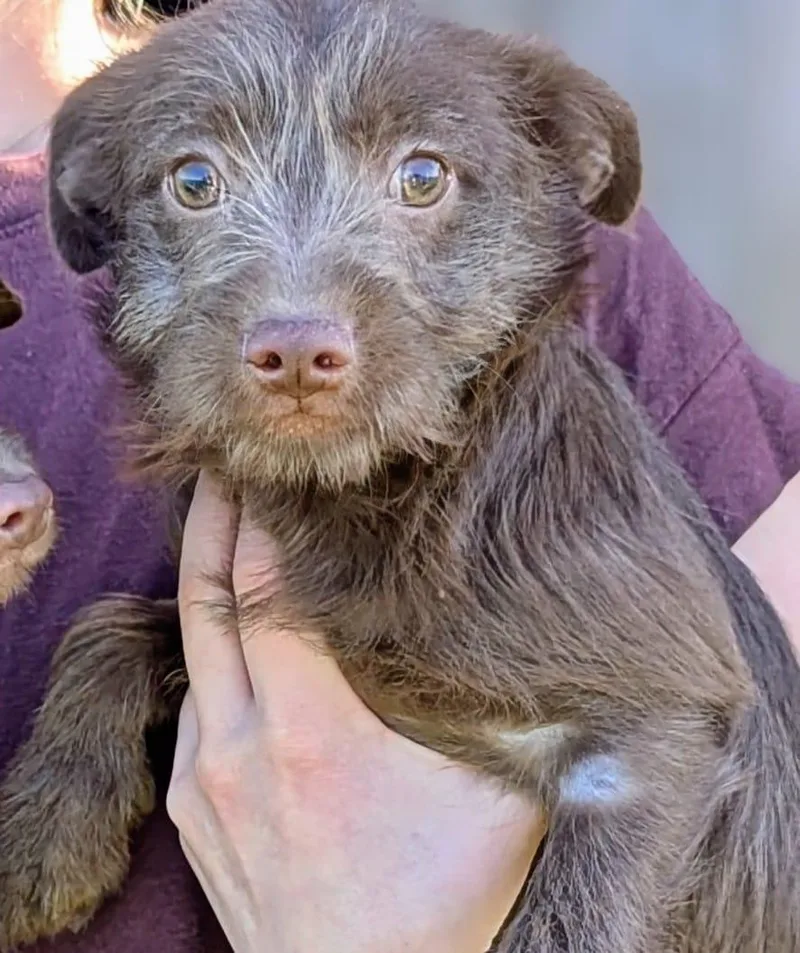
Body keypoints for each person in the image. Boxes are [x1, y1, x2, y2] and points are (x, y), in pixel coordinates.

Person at [1, 1, 798, 951]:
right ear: (96, 211)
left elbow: (657, 743)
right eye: (197, 182)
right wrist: (123, 668)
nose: (297, 323)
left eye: (420, 179)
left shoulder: (609, 325)